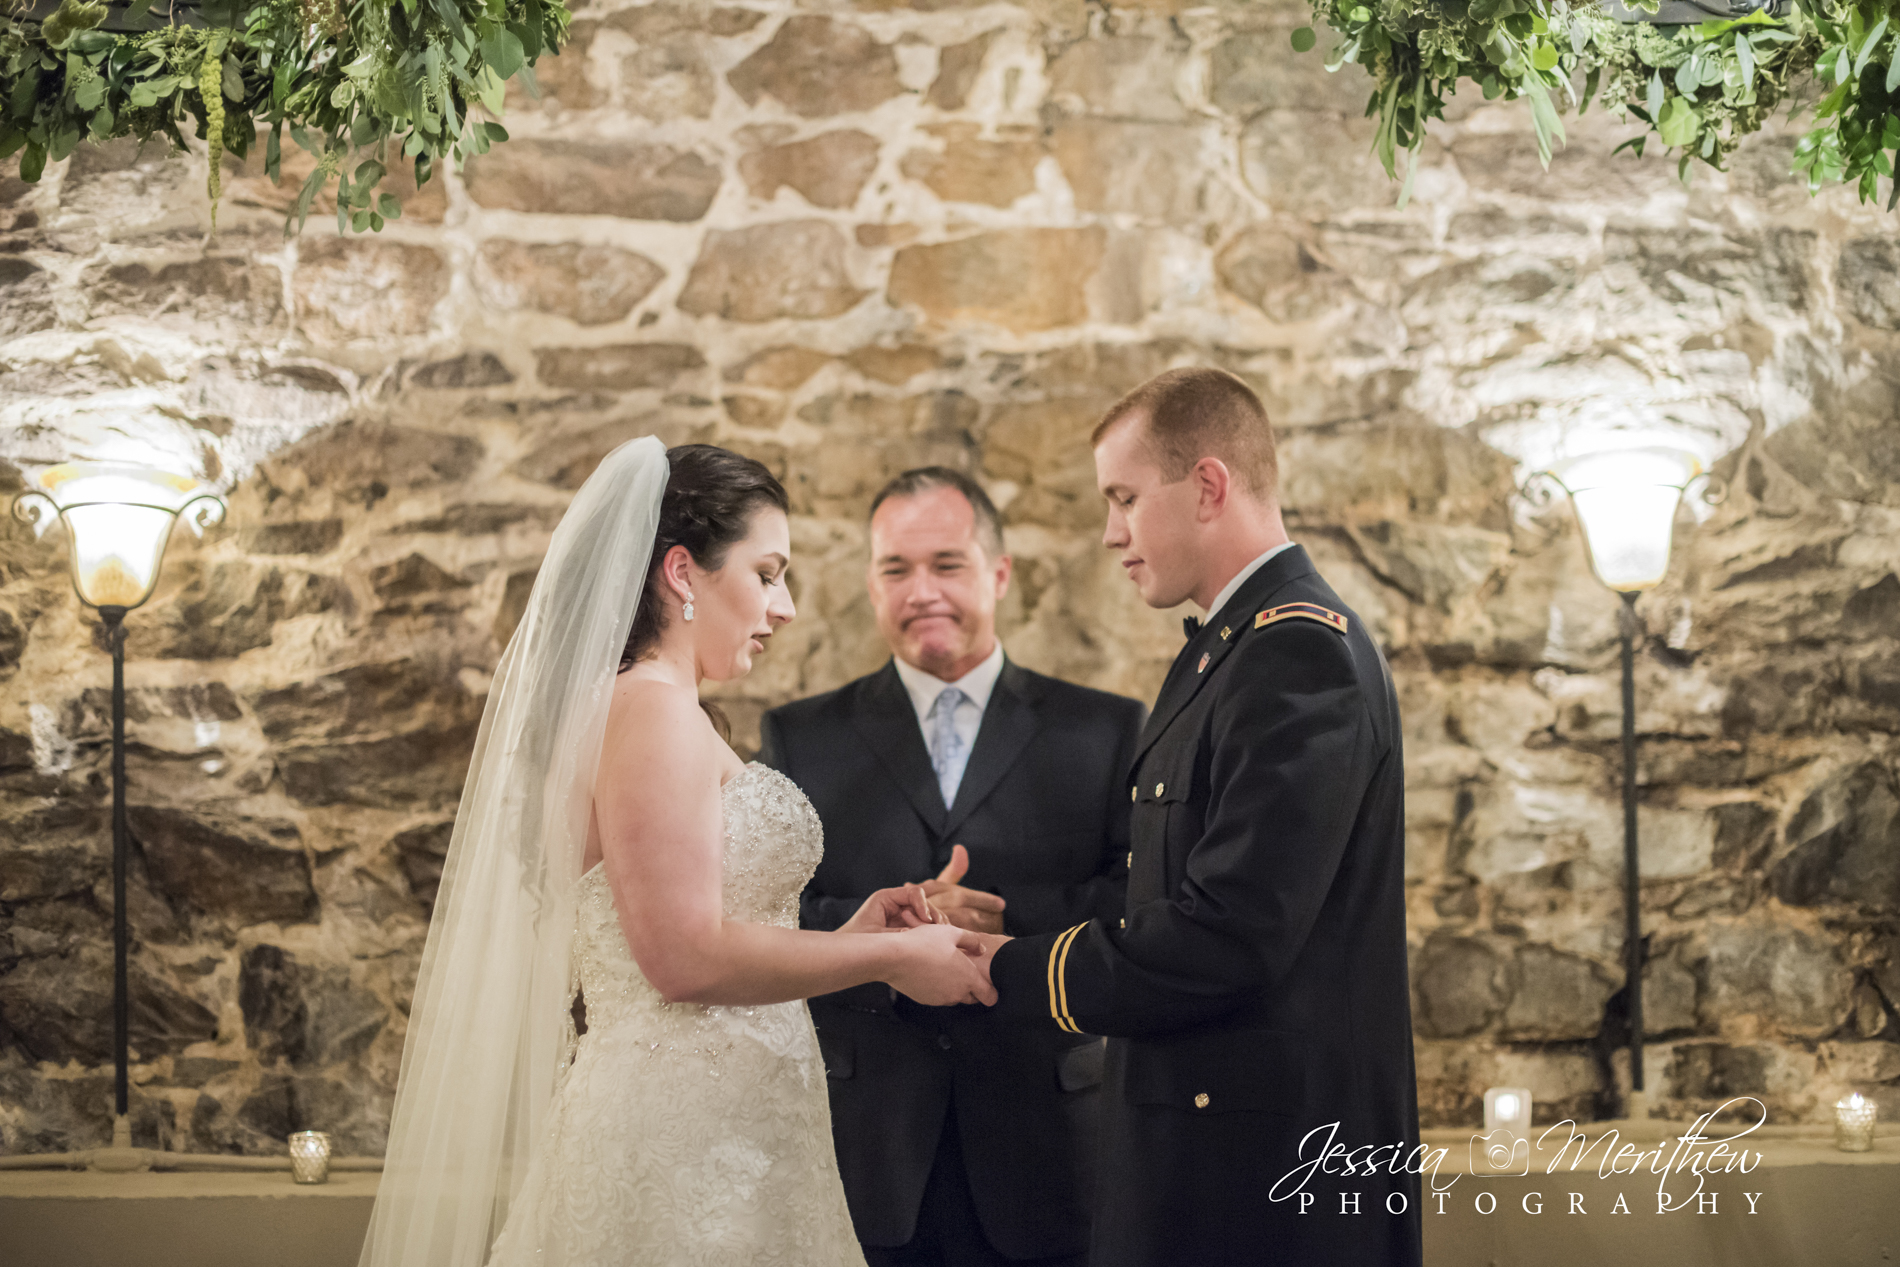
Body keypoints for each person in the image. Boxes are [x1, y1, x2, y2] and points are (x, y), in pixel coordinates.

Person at [359, 439, 994, 1267]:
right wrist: (893, 955)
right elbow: (681, 959)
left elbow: (703, 931)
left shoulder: (655, 708)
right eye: (767, 573)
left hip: (735, 1124)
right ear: (684, 572)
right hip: (681, 1141)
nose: (788, 604)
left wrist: (849, 936)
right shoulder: (650, 710)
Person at [974, 369, 1424, 1267]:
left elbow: (1233, 932)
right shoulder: (1232, 648)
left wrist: (1007, 972)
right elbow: (1168, 892)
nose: (1112, 533)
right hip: (1210, 1153)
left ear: (1209, 486)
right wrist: (1010, 921)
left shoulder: (1296, 653)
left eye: (1126, 498)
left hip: (1263, 1183)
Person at [760, 469, 1144, 1267]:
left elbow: (1139, 902)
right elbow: (772, 915)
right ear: (870, 583)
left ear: (999, 573)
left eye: (948, 563)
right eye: (896, 568)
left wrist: (1012, 919)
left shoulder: (1103, 729)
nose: (921, 590)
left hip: (1051, 1142)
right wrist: (886, 938)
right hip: (867, 1144)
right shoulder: (800, 736)